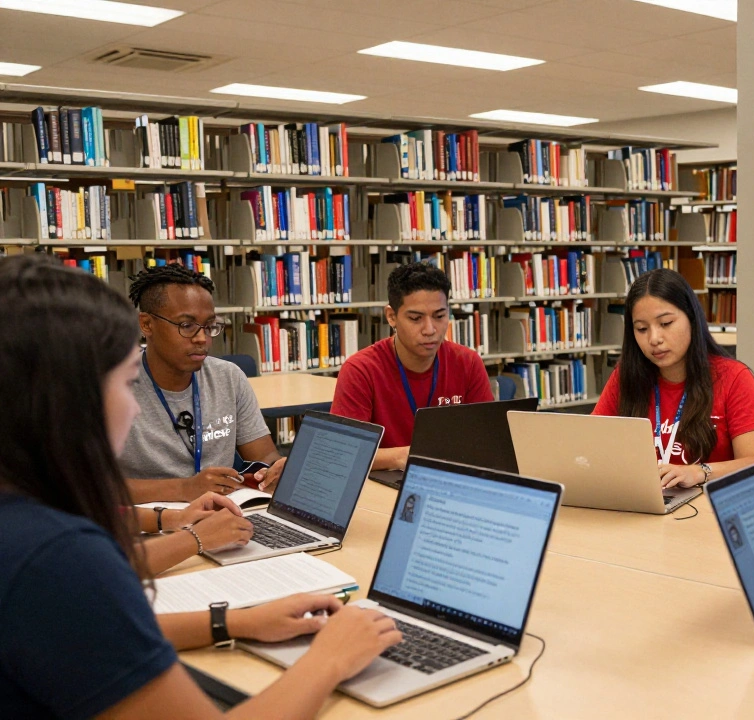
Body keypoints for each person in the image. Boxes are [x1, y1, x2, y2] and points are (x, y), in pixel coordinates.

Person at [0, 254, 402, 718]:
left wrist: (234, 621)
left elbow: (89, 630)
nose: (133, 408)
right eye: (126, 383)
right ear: (66, 396)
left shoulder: (28, 516)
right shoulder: (57, 556)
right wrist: (332, 657)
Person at [120, 265, 286, 503]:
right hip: (147, 524)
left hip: (223, 515)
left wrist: (277, 470)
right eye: (186, 326)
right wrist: (184, 489)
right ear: (146, 325)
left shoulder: (228, 377)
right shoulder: (110, 387)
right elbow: (94, 487)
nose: (202, 338)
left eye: (209, 326)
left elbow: (265, 456)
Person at [593, 268, 754, 488]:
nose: (654, 338)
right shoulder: (625, 377)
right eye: (641, 329)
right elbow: (592, 447)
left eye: (666, 324)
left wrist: (699, 472)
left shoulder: (732, 378)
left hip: (706, 509)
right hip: (641, 506)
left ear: (691, 319)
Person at [331, 262, 493, 471]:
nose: (430, 329)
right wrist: (401, 457)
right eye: (415, 318)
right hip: (384, 483)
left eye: (439, 316)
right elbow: (343, 452)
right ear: (391, 317)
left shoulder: (468, 363)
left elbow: (488, 442)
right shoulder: (361, 370)